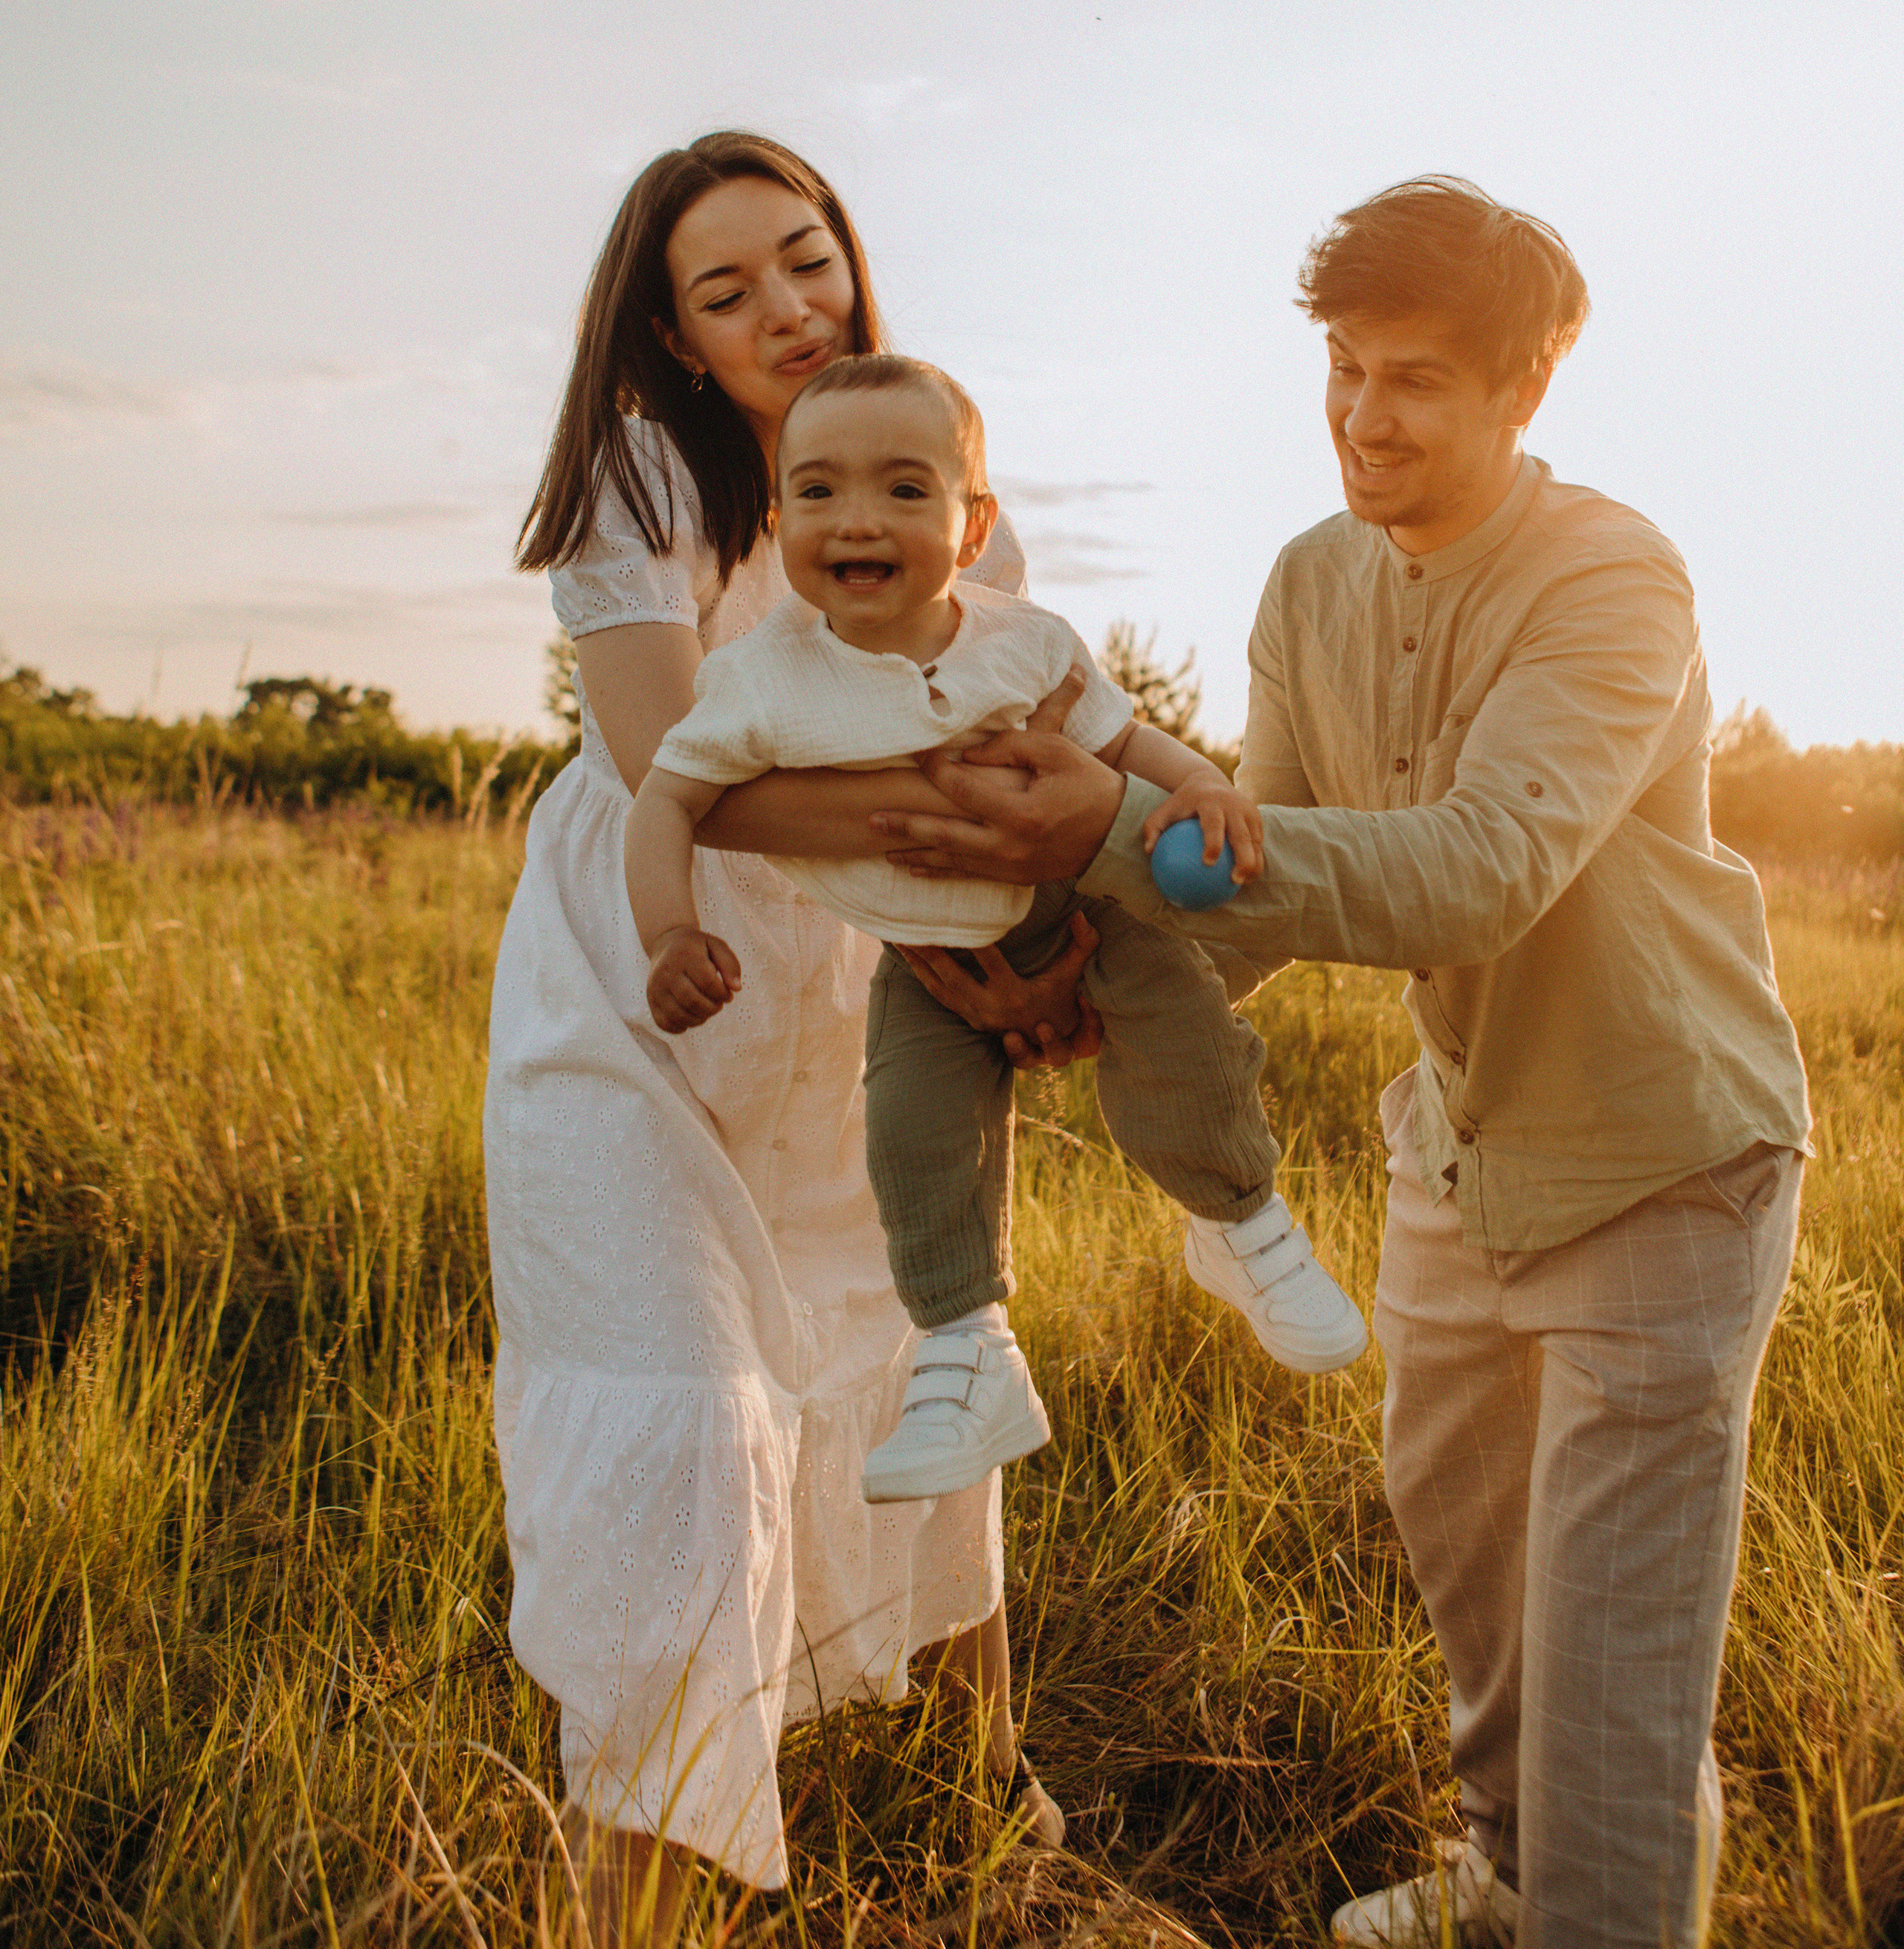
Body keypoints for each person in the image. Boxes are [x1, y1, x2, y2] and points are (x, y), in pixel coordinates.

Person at [866, 178, 1813, 1949]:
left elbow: (1476, 871)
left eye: (1415, 380)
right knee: (1474, 1583)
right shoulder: (1308, 579)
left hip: (1659, 1162)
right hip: (1452, 1157)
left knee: (1610, 1673)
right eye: (1342, 368)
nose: (1363, 416)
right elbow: (1259, 872)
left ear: (1524, 387)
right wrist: (1067, 979)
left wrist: (1103, 833)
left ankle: (1589, 1908)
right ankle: (1503, 1880)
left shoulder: (1612, 576)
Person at [484, 132, 1082, 1935]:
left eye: (806, 258)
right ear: (673, 338)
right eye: (727, 290)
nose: (788, 308)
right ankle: (633, 1894)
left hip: (851, 996)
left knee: (914, 1346)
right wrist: (960, 816)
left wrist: (1018, 944)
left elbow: (1039, 744)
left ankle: (985, 1790)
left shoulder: (938, 475)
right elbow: (678, 770)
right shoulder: (642, 475)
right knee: (682, 1418)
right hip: (647, 991)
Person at [624, 350, 1368, 1507]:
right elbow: (666, 797)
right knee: (914, 1139)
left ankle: (1241, 1224)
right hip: (925, 960)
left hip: (1084, 907)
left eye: (903, 489)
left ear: (972, 529)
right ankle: (970, 1355)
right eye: (818, 490)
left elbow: (1123, 743)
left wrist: (1207, 785)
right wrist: (671, 932)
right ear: (778, 522)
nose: (856, 518)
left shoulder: (1024, 641)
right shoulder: (761, 679)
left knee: (1183, 1036)